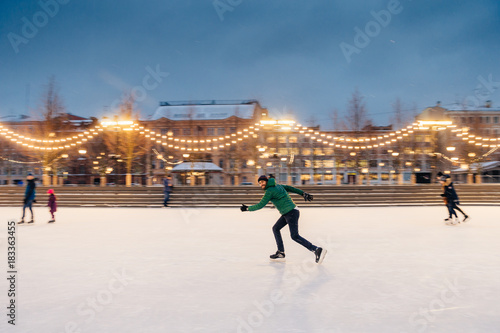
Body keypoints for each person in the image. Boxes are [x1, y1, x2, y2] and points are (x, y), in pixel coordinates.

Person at [240, 175, 326, 264]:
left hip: (290, 212)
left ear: (267, 181)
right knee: (276, 228)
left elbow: (261, 205)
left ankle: (316, 249)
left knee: (294, 236)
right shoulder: (278, 186)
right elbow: (290, 188)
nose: (261, 184)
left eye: (262, 182)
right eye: (259, 183)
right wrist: (302, 193)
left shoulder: (270, 191)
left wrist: (247, 208)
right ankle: (281, 252)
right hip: (289, 212)